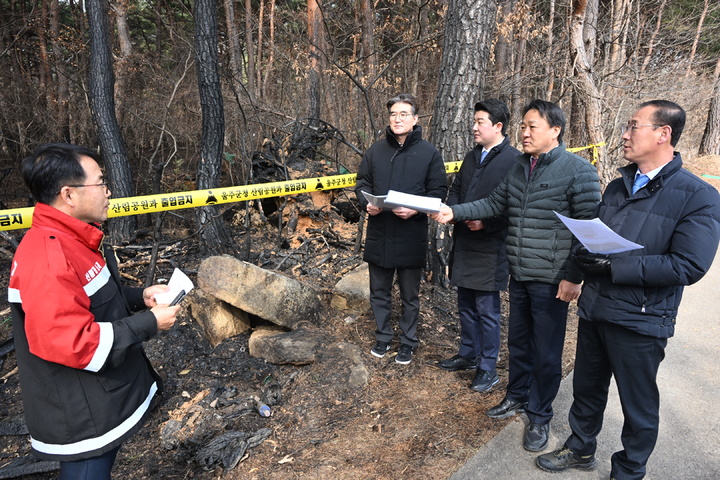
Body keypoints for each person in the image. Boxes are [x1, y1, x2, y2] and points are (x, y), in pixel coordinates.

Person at [536, 101, 720, 479]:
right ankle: (580, 448)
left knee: (638, 404)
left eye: (634, 126)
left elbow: (688, 265)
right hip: (596, 308)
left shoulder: (698, 195)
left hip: (641, 319)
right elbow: (600, 238)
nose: (624, 134)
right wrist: (583, 258)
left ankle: (630, 469)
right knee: (586, 390)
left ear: (663, 134)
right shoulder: (619, 186)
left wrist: (613, 267)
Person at [433, 99, 601, 451]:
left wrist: (573, 276)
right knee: (520, 344)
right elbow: (494, 204)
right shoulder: (520, 166)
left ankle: (539, 415)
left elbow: (589, 232)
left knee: (546, 350)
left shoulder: (577, 170)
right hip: (520, 274)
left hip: (553, 278)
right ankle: (516, 395)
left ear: (555, 130)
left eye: (532, 127)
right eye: (522, 126)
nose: (524, 133)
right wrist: (454, 211)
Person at [8, 143, 181, 479]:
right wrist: (148, 323)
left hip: (97, 400)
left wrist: (139, 297)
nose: (108, 192)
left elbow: (90, 299)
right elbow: (72, 340)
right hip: (80, 417)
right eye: (100, 183)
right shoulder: (46, 257)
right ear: (69, 195)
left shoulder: (73, 239)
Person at [355, 93, 448, 365]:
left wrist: (417, 209)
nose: (398, 118)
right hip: (381, 231)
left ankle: (408, 342)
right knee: (379, 291)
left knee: (410, 294)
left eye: (404, 114)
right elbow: (362, 183)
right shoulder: (375, 151)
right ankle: (383, 337)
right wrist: (366, 203)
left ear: (415, 119)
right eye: (394, 114)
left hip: (411, 233)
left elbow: (439, 190)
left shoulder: (429, 154)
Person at [438, 99, 520, 393]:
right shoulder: (472, 156)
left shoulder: (514, 160)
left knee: (487, 310)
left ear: (498, 126)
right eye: (474, 121)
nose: (473, 127)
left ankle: (488, 367)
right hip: (464, 240)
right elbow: (457, 190)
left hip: (491, 246)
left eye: (480, 122)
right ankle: (468, 354)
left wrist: (487, 223)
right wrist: (454, 213)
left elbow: (515, 207)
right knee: (465, 305)